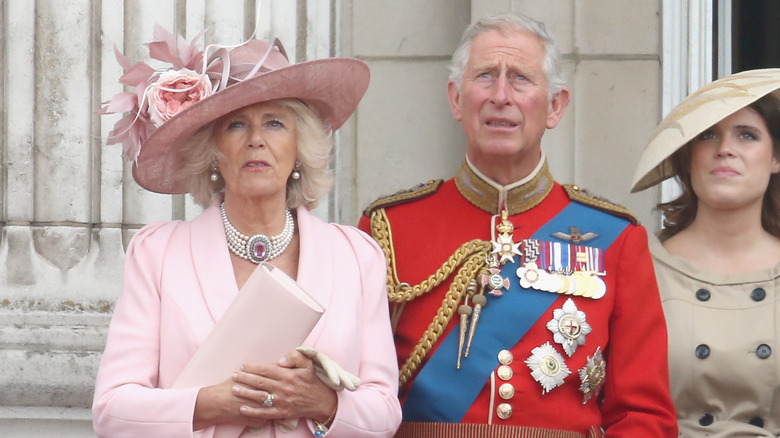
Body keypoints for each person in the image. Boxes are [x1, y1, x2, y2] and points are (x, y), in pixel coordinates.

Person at [358, 12, 677, 437]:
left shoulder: (615, 237)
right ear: (456, 98)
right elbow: (352, 391)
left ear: (555, 106)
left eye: (521, 79)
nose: (501, 95)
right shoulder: (388, 229)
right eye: (485, 76)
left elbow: (642, 417)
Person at [91, 25, 402, 438]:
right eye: (237, 125)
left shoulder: (356, 257)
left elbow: (384, 414)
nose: (256, 140)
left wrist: (322, 402)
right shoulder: (159, 253)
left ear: (298, 149)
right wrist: (218, 402)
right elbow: (113, 411)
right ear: (214, 151)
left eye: (274, 123)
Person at [632, 69, 780, 436]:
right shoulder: (638, 264)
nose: (724, 148)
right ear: (688, 158)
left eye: (747, 135)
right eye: (707, 134)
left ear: (776, 158)